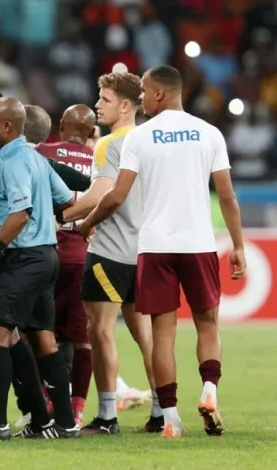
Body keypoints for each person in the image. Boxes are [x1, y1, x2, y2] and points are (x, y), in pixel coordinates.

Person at [79, 65, 245, 438]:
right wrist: (238, 245)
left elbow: (116, 196)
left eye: (144, 94)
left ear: (158, 94)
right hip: (199, 242)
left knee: (162, 333)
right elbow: (228, 196)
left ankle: (170, 418)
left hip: (154, 247)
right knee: (207, 324)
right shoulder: (210, 133)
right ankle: (209, 390)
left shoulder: (140, 138)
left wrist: (87, 223)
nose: (141, 100)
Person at [0, 97, 79, 441]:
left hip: (22, 259)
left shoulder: (12, 164)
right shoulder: (36, 158)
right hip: (46, 256)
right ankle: (64, 425)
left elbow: (20, 213)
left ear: (7, 127)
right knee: (43, 339)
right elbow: (67, 200)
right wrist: (44, 222)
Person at [62, 72, 158, 434]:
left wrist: (63, 218)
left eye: (104, 98)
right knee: (145, 334)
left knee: (98, 331)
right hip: (147, 251)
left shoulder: (109, 144)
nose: (97, 104)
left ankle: (106, 416)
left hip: (111, 251)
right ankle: (162, 410)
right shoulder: (151, 141)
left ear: (125, 105)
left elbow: (98, 196)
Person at [35, 104, 96, 427]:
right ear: (91, 131)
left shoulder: (42, 151)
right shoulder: (100, 161)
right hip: (83, 257)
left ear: (60, 125)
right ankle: (77, 409)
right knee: (83, 338)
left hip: (45, 253)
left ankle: (45, 400)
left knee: (40, 332)